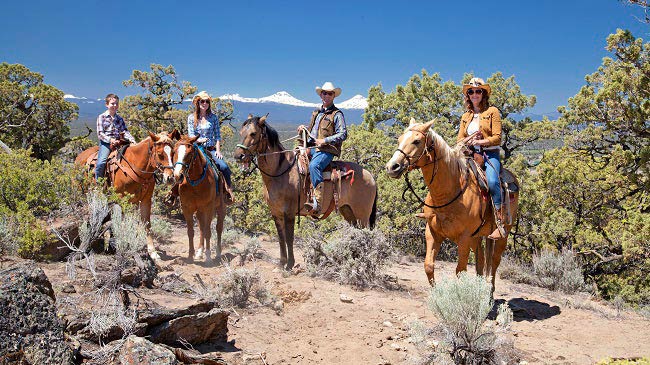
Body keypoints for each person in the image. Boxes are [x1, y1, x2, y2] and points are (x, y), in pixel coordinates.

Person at [456, 77, 505, 239]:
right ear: (468, 95)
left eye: (478, 91)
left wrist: (481, 141)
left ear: (483, 94)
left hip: (489, 154)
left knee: (491, 181)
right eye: (471, 91)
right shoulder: (465, 116)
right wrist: (468, 141)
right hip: (469, 155)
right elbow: (459, 139)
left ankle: (500, 222)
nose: (474, 94)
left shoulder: (492, 112)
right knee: (446, 173)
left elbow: (498, 138)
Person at [297, 82, 348, 214]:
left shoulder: (337, 114)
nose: (326, 95)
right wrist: (303, 129)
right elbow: (311, 131)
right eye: (324, 93)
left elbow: (343, 134)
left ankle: (317, 203)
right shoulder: (316, 113)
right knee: (294, 159)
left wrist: (324, 140)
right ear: (321, 95)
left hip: (327, 149)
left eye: (330, 93)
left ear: (333, 96)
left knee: (314, 166)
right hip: (312, 147)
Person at [187, 91, 234, 204]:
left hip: (211, 149)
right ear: (198, 103)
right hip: (196, 148)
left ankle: (228, 191)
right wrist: (199, 140)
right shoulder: (191, 118)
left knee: (224, 167)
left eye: (207, 101)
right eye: (202, 101)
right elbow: (191, 135)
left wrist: (218, 150)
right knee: (181, 166)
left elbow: (217, 136)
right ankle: (174, 193)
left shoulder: (213, 118)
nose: (205, 103)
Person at [95, 93, 136, 180]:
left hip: (120, 142)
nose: (115, 105)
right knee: (101, 163)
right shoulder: (101, 117)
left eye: (116, 103)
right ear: (107, 104)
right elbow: (100, 134)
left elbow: (125, 131)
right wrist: (111, 140)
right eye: (112, 103)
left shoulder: (119, 119)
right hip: (106, 143)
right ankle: (98, 184)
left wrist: (132, 140)